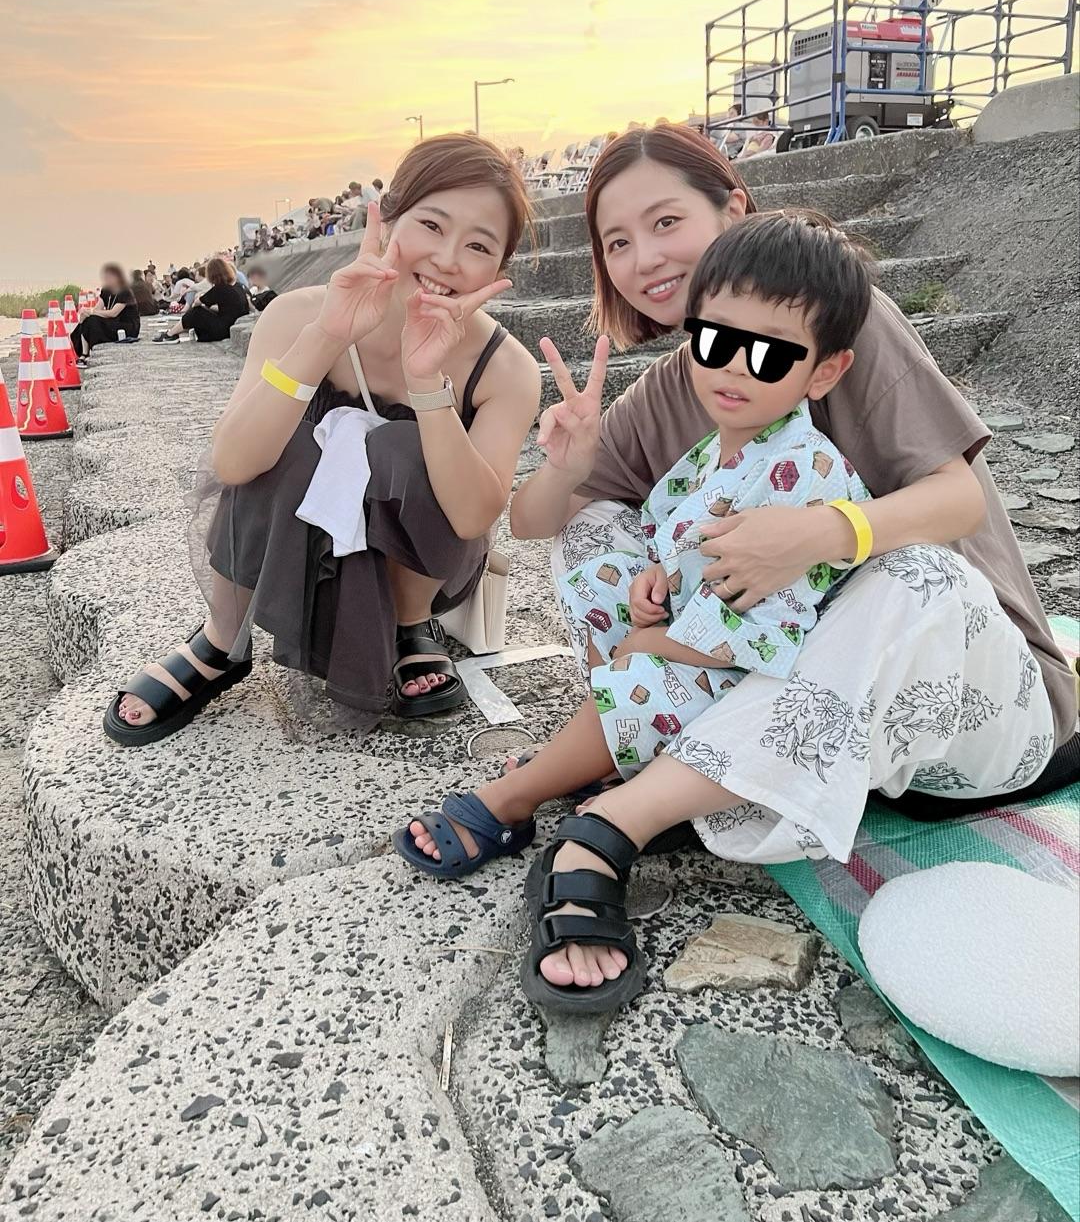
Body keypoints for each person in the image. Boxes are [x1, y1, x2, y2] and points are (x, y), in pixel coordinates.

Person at [396, 122, 1076, 1009]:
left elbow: (958, 501)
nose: (645, 258)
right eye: (617, 242)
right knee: (596, 523)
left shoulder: (841, 318)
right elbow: (535, 520)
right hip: (799, 697)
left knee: (916, 573)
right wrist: (568, 460)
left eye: (666, 221)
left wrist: (815, 533)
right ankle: (656, 743)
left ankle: (615, 819)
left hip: (969, 705)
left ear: (734, 210)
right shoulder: (680, 382)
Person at [104, 133, 541, 746]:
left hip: (423, 564)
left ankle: (411, 624)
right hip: (295, 551)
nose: (447, 259)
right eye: (432, 225)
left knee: (399, 447)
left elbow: (472, 517)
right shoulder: (297, 314)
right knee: (285, 439)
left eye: (478, 245)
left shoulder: (506, 367)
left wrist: (427, 386)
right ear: (387, 222)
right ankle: (223, 638)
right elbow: (233, 462)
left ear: (499, 269)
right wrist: (328, 335)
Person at [155, 255, 251, 344]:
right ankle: (173, 332)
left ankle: (170, 334)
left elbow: (196, 303)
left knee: (197, 312)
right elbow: (229, 309)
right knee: (202, 313)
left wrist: (202, 301)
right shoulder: (238, 287)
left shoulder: (220, 289)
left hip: (223, 330)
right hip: (231, 326)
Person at [69, 265, 140, 361]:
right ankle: (84, 354)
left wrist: (91, 312)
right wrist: (86, 313)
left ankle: (88, 353)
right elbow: (97, 308)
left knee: (93, 321)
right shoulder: (106, 290)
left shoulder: (125, 292)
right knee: (87, 320)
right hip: (113, 322)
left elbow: (113, 313)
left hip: (127, 326)